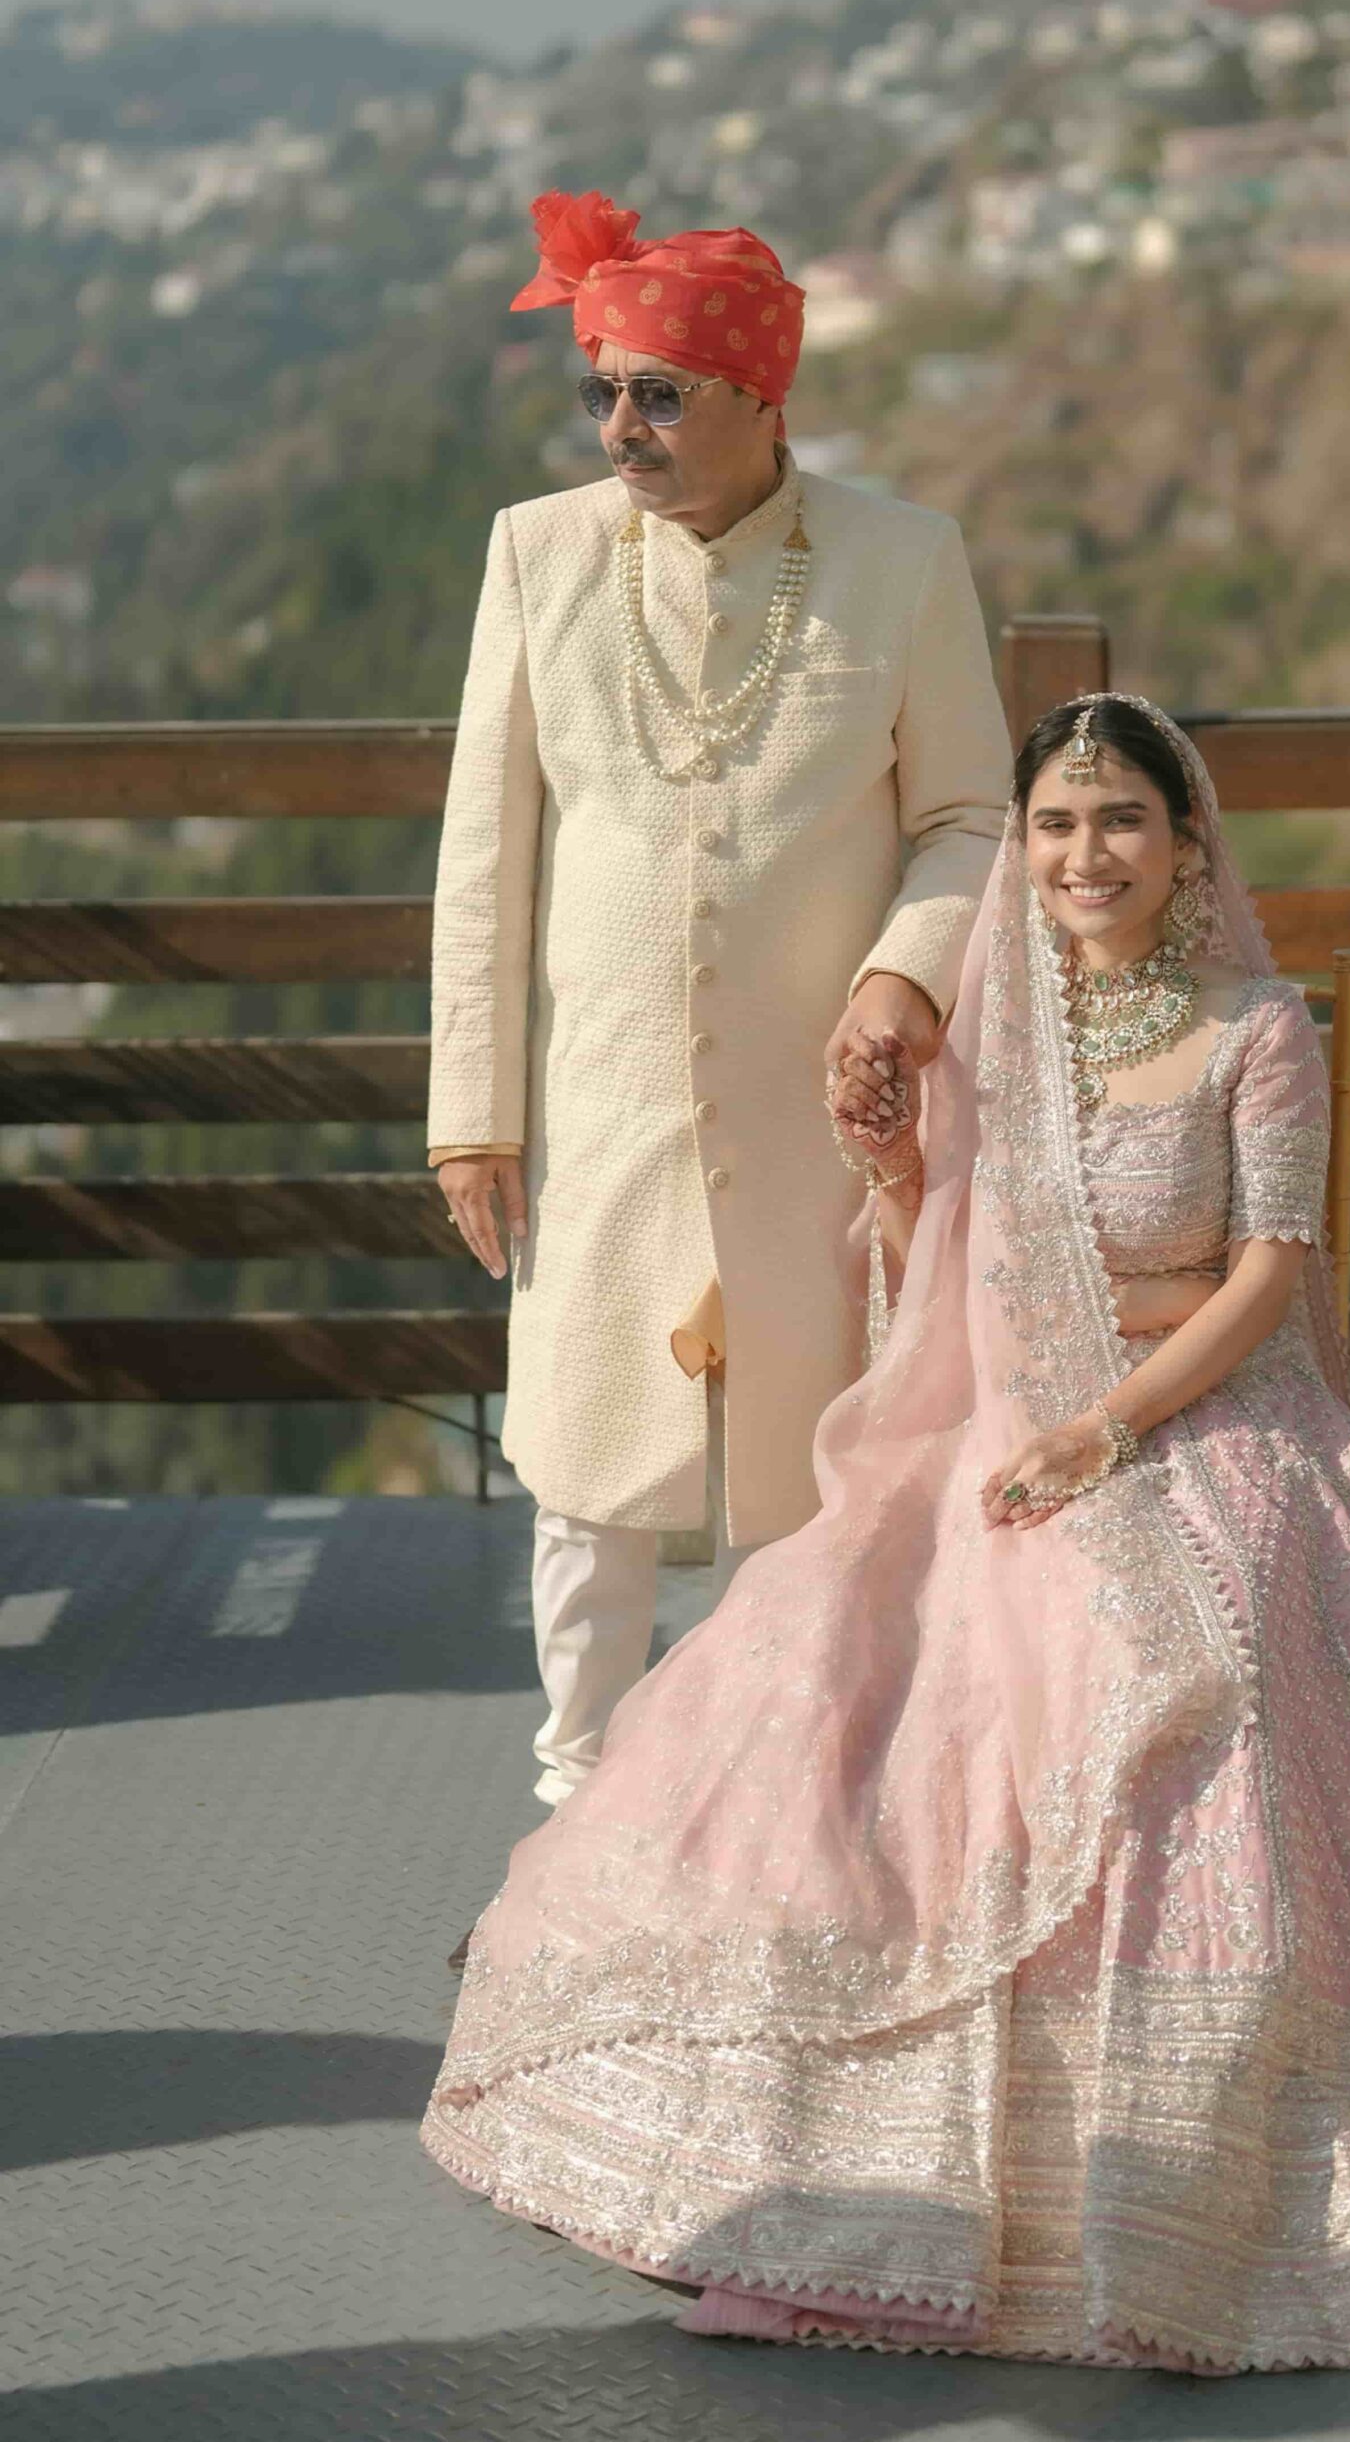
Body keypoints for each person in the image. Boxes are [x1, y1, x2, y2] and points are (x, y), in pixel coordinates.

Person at [422, 694, 1350, 2373]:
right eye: (1056, 825)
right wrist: (895, 1175)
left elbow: (1269, 1273)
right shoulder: (992, 1036)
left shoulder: (1256, 1026)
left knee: (1228, 1659)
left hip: (1218, 1421)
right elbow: (952, 1272)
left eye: (1121, 821)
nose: (1087, 855)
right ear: (1024, 847)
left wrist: (1113, 1423)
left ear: (1184, 840)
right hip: (1010, 1419)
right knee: (861, 1662)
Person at [428, 189, 1009, 1812]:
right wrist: (471, 1116)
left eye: (659, 394)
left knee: (804, 1468)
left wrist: (903, 976)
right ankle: (575, 1799)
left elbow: (971, 815)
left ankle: (781, 1807)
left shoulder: (902, 559)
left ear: (763, 399)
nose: (622, 426)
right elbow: (485, 855)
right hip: (601, 1099)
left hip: (820, 1108)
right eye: (602, 391)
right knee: (589, 1466)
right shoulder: (537, 552)